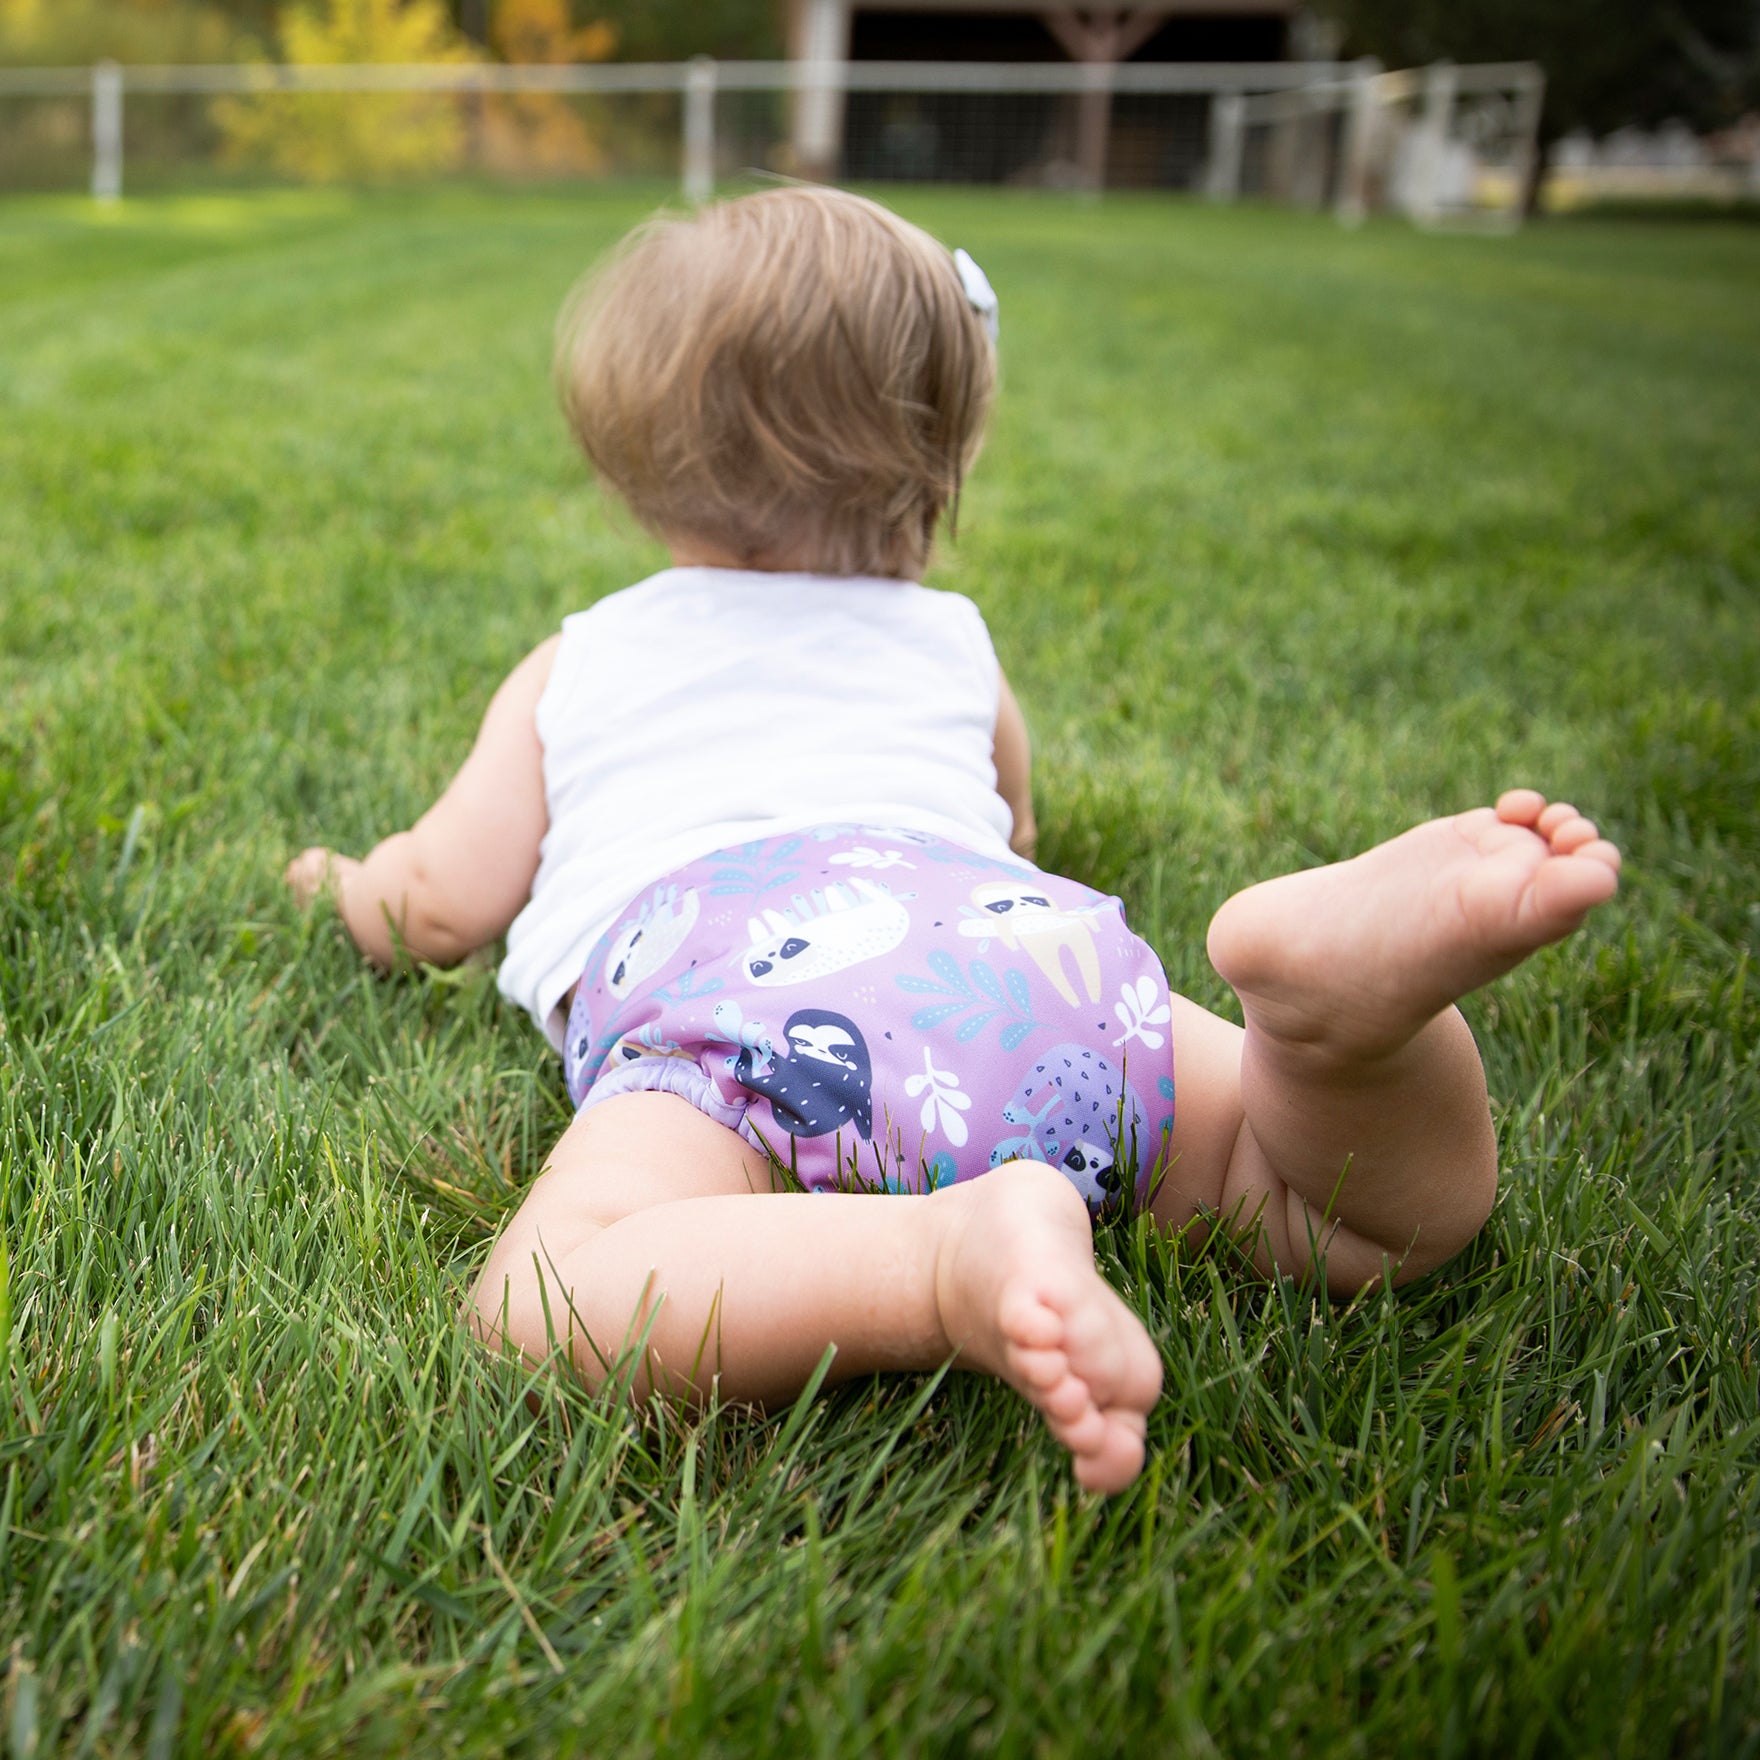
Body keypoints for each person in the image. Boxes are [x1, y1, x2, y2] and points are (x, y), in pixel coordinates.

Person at [286, 187, 1622, 1495]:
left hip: (734, 992)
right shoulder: (953, 645)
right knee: (1369, 1225)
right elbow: (1016, 828)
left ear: (640, 464)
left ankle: (936, 1265)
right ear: (941, 450)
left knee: (554, 1301)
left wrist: (347, 885)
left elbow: (440, 907)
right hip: (1020, 968)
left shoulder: (582, 659)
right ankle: (1342, 1033)